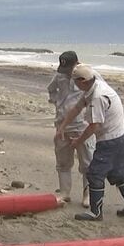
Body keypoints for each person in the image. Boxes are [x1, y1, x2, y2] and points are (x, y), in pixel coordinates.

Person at [56, 64, 124, 221]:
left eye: (75, 80)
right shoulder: (94, 86)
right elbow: (77, 108)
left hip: (110, 139)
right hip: (121, 135)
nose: (74, 83)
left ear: (82, 81)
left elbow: (95, 126)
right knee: (118, 173)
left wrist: (78, 141)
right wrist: (63, 126)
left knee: (94, 174)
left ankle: (96, 212)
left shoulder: (98, 97)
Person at [47, 51, 95, 207]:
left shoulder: (88, 75)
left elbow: (98, 92)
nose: (67, 72)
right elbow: (51, 89)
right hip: (62, 124)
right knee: (63, 162)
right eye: (64, 69)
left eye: (69, 69)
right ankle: (64, 193)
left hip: (82, 125)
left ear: (77, 63)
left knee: (87, 163)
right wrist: (56, 102)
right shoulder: (59, 76)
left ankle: (88, 195)